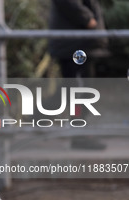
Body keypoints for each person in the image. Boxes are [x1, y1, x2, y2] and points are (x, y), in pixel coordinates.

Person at [48, 0, 108, 149]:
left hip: (79, 43)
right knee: (80, 91)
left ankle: (38, 117)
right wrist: (88, 19)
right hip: (74, 44)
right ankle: (79, 135)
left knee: (73, 90)